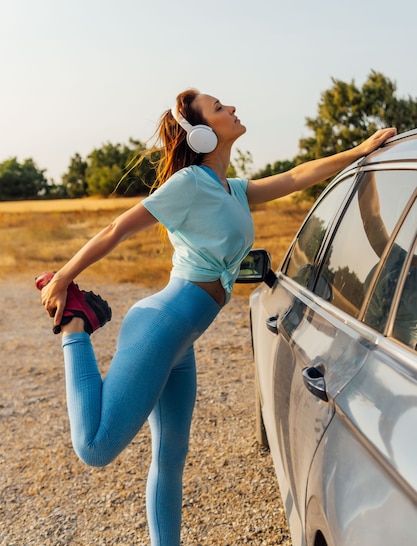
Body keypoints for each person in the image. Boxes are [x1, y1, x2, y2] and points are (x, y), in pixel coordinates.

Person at [36, 88, 396, 545]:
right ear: (202, 133)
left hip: (182, 339)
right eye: (220, 107)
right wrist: (65, 278)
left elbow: (296, 175)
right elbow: (117, 228)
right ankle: (76, 323)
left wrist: (360, 152)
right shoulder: (188, 184)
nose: (233, 108)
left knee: (170, 457)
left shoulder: (233, 189)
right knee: (95, 447)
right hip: (161, 324)